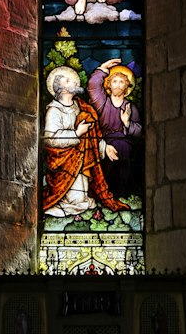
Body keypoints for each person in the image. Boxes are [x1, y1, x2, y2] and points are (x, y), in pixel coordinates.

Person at [42, 65, 126, 217]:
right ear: (60, 87)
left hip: (82, 162)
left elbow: (90, 136)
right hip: (63, 164)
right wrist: (76, 133)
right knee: (78, 201)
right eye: (68, 81)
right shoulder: (54, 110)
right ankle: (61, 204)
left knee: (84, 199)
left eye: (74, 79)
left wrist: (104, 147)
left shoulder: (80, 107)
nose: (74, 81)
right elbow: (50, 139)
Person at [86, 58, 142, 198]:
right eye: (114, 81)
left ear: (127, 86)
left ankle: (122, 193)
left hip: (124, 145)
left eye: (122, 82)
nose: (118, 85)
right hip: (102, 143)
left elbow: (139, 131)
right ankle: (103, 194)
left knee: (122, 148)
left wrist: (127, 123)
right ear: (108, 84)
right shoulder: (102, 103)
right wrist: (102, 69)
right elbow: (93, 87)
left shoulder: (131, 107)